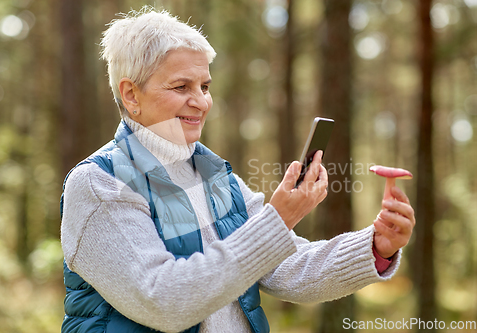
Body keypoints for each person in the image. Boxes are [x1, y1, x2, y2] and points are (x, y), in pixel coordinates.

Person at [60, 7, 416, 333]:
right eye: (181, 86)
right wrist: (277, 220)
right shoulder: (99, 185)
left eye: (205, 86)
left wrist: (374, 246)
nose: (201, 101)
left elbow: (287, 268)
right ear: (131, 95)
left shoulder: (214, 175)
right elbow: (164, 301)